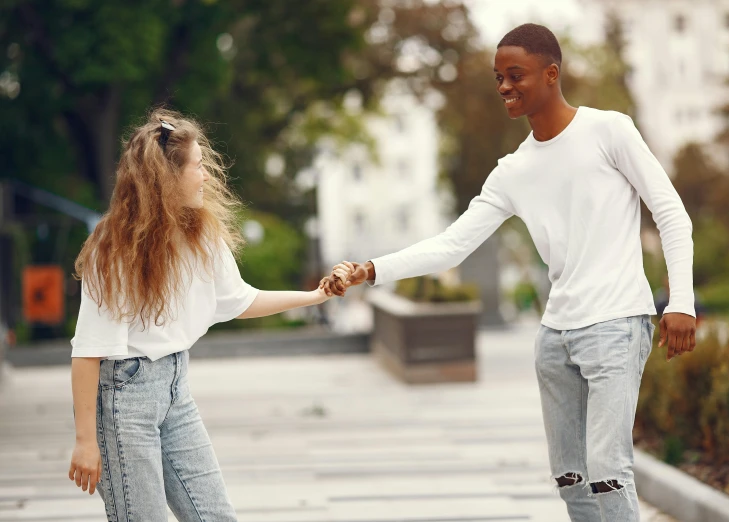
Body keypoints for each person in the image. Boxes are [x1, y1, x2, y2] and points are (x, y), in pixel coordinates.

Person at [323, 23, 697, 522]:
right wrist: (370, 269)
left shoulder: (609, 130)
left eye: (515, 75)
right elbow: (452, 245)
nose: (504, 87)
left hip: (615, 324)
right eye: (498, 77)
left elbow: (671, 214)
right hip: (555, 337)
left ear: (551, 73)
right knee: (571, 478)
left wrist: (681, 302)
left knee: (608, 471)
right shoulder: (513, 170)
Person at [68, 109, 331, 521]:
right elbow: (87, 352)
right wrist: (86, 441)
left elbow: (241, 300)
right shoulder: (114, 246)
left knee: (214, 515)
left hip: (175, 389)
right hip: (123, 398)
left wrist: (315, 296)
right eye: (198, 166)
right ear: (166, 178)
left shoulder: (201, 234)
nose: (206, 176)